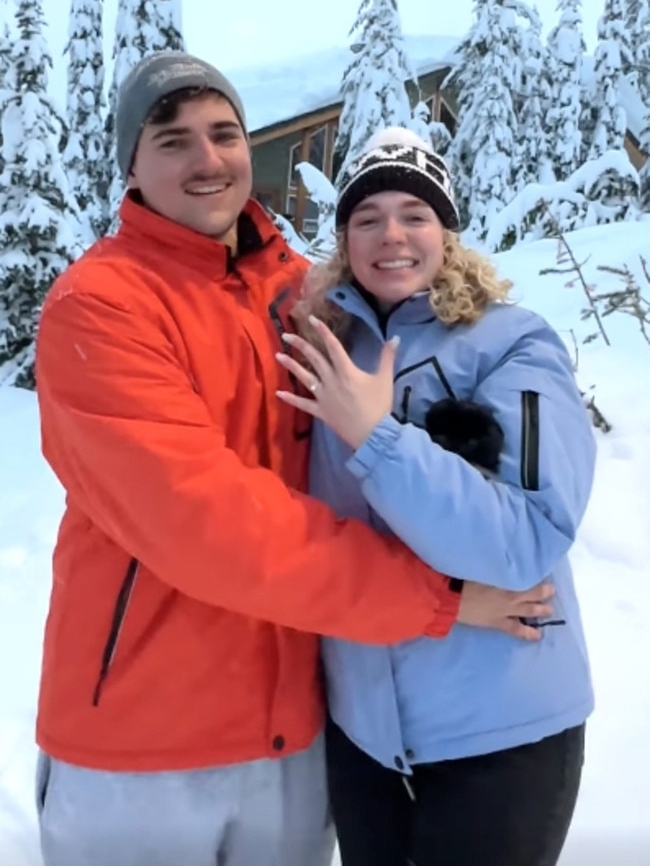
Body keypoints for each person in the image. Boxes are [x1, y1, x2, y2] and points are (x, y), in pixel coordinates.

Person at [32, 56, 555, 866]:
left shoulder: (305, 293)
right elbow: (211, 524)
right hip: (140, 746)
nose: (208, 160)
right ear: (131, 167)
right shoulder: (101, 306)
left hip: (293, 736)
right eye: (173, 140)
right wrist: (438, 599)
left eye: (225, 134)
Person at [279, 127, 596, 866]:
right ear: (344, 240)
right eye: (367, 217)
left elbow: (525, 541)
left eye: (415, 213)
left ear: (446, 233)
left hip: (503, 735)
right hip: (363, 740)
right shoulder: (325, 351)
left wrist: (378, 436)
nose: (392, 234)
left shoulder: (514, 343)